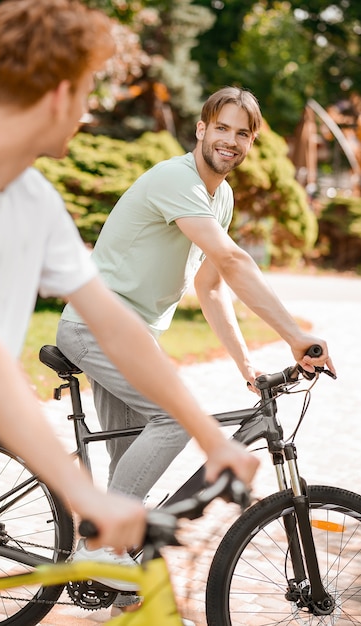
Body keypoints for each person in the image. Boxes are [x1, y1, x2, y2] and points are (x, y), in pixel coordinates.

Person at [0, 2, 260, 621]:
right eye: (89, 89)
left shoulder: (36, 203)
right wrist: (88, 497)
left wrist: (208, 434)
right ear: (59, 92)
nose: (91, 110)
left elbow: (117, 325)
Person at [58, 86, 336, 551]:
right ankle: (105, 546)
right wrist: (294, 335)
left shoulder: (220, 196)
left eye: (242, 133)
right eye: (221, 127)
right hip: (96, 326)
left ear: (251, 143)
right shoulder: (177, 180)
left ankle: (121, 596)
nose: (230, 140)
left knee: (131, 473)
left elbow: (210, 286)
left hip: (133, 335)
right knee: (174, 417)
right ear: (201, 129)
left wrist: (247, 366)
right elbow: (231, 260)